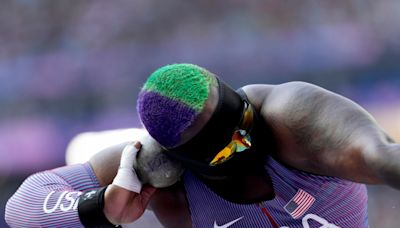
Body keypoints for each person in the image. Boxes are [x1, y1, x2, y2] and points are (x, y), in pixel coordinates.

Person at [5, 63, 400, 227]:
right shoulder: (153, 166)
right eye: (229, 148)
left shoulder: (293, 115)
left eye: (244, 121)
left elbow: (383, 156)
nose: (249, 141)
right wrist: (102, 207)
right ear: (185, 159)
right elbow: (22, 207)